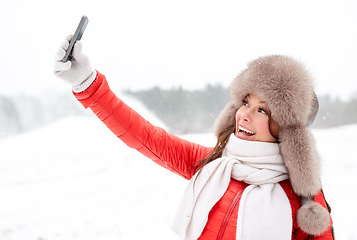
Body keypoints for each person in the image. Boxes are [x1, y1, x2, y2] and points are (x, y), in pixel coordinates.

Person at [54, 35, 334, 239]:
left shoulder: (305, 200)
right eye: (245, 102)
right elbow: (146, 137)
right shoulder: (213, 166)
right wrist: (87, 83)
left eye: (262, 109)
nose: (245, 115)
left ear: (285, 127)